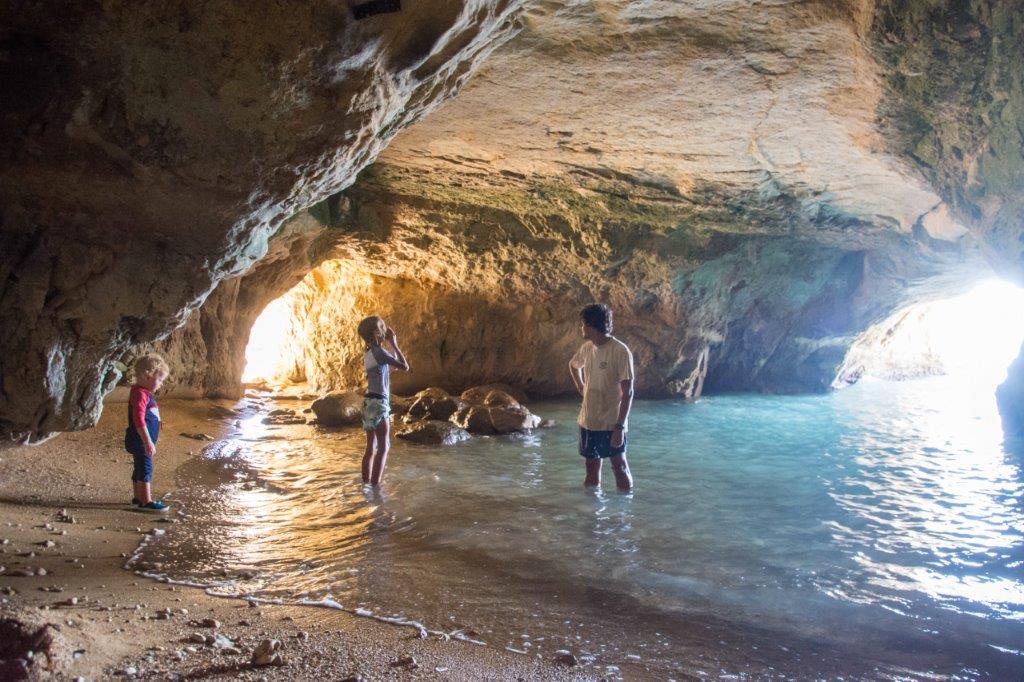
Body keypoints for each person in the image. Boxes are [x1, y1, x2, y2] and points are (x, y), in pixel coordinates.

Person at [569, 303, 635, 491]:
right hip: (589, 421)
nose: (581, 328)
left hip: (612, 423)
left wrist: (619, 428)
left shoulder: (620, 351)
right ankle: (591, 515)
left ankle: (624, 514)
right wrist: (582, 387)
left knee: (619, 466)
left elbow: (628, 392)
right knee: (591, 467)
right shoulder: (587, 348)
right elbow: (573, 366)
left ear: (591, 326)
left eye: (583, 324)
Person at [357, 316, 410, 485]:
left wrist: (389, 347)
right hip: (380, 403)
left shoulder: (369, 353)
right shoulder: (380, 352)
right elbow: (404, 366)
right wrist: (394, 343)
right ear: (376, 332)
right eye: (382, 326)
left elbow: (390, 368)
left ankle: (366, 486)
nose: (386, 327)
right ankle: (376, 488)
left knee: (370, 448)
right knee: (384, 447)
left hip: (368, 403)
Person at [124, 353, 171, 512]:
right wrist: (147, 441)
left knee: (139, 467)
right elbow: (138, 418)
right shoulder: (140, 394)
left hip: (139, 438)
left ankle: (137, 498)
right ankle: (146, 501)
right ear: (147, 376)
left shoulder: (140, 392)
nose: (161, 384)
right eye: (160, 379)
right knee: (145, 467)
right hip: (141, 439)